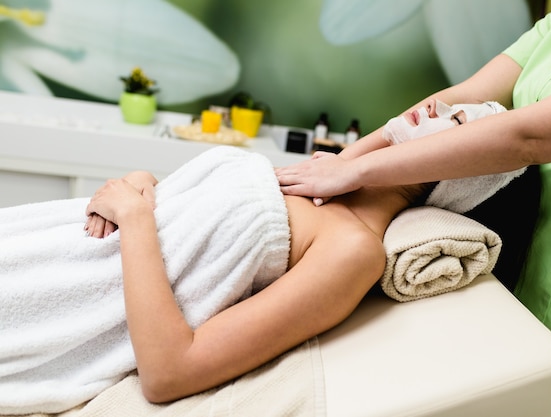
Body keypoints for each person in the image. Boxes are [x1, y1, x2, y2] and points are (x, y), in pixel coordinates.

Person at [0, 101, 503, 414]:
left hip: (56, 298)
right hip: (49, 237)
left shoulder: (353, 250)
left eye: (455, 120)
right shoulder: (313, 178)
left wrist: (134, 219)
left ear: (464, 174)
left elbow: (170, 372)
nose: (432, 108)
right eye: (444, 104)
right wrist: (143, 184)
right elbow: (188, 223)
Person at [276, 0, 551, 415]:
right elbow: (464, 95)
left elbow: (530, 137)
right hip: (512, 287)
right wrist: (339, 163)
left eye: (459, 124)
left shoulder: (356, 250)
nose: (432, 120)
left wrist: (358, 170)